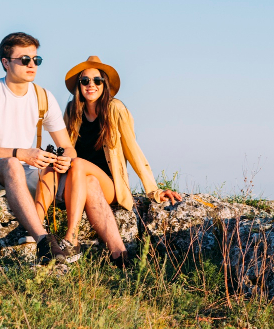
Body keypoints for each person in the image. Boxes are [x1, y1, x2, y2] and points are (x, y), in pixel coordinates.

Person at [0, 34, 120, 265]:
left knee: (88, 181)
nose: (32, 65)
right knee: (12, 164)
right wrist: (21, 153)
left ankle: (120, 254)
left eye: (36, 59)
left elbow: (67, 146)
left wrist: (65, 158)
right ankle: (44, 242)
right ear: (6, 62)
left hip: (27, 173)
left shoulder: (43, 97)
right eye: (24, 59)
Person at [56, 56, 182, 267]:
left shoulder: (115, 109)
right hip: (80, 183)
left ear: (105, 84)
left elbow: (134, 151)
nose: (91, 85)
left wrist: (153, 190)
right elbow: (63, 149)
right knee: (86, 179)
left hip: (110, 185)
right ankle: (119, 255)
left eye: (97, 80)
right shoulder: (72, 111)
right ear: (79, 85)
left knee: (78, 164)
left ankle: (72, 237)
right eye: (85, 81)